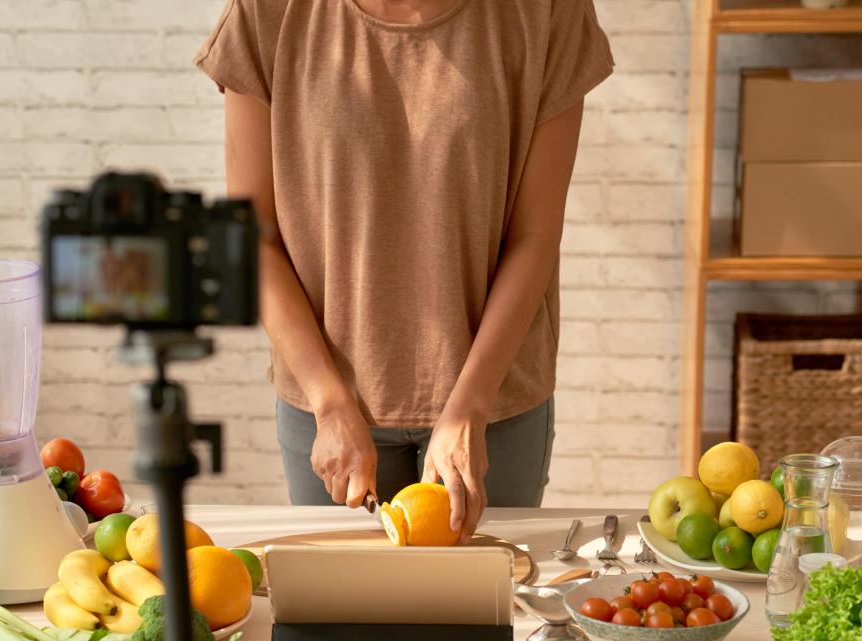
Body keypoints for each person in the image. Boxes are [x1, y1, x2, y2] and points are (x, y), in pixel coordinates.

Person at [194, 0, 613, 544]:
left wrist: (469, 408)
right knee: (340, 621)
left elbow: (533, 235)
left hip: (492, 409)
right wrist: (329, 401)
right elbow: (252, 234)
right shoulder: (268, 10)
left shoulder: (547, 12)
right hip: (326, 406)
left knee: (477, 616)